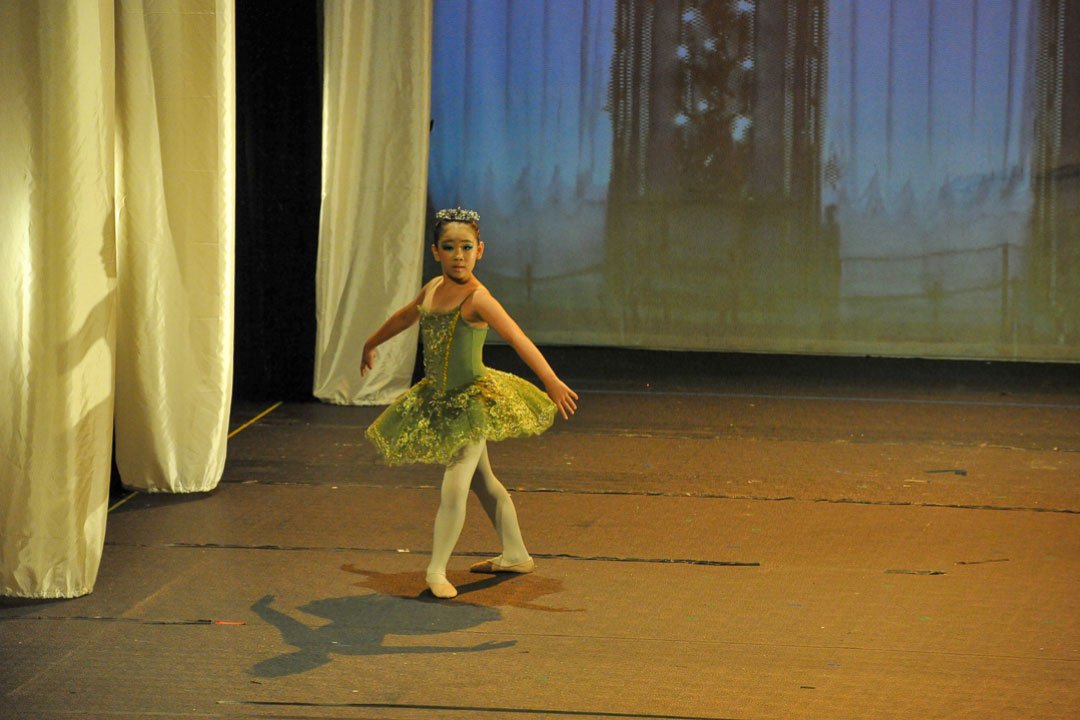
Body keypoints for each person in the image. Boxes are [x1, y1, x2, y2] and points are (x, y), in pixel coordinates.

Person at [362, 207, 578, 599]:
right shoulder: (432, 288)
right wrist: (371, 342)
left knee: (456, 481)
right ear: (436, 251)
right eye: (449, 247)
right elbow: (405, 316)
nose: (458, 256)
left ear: (480, 250)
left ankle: (436, 569)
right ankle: (516, 554)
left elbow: (517, 338)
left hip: (472, 403)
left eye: (466, 247)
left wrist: (550, 380)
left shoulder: (479, 299)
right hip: (440, 399)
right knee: (483, 481)